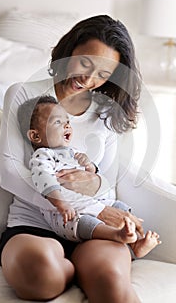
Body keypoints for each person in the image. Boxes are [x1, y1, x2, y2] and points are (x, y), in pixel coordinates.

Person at [0, 14, 158, 303]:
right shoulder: (25, 95)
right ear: (69, 50)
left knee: (111, 283)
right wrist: (77, 200)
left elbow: (107, 181)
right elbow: (10, 172)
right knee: (42, 276)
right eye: (85, 62)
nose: (88, 79)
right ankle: (72, 270)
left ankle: (89, 268)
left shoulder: (106, 112)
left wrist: (95, 187)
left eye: (103, 73)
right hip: (34, 226)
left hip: (95, 227)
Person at [17, 94, 161, 256]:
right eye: (58, 122)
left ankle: (136, 242)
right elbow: (44, 179)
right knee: (85, 223)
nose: (66, 126)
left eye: (67, 121)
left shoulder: (73, 152)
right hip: (67, 212)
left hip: (95, 202)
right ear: (35, 136)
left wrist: (89, 166)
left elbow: (92, 177)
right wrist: (61, 203)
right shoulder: (43, 155)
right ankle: (117, 235)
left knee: (120, 207)